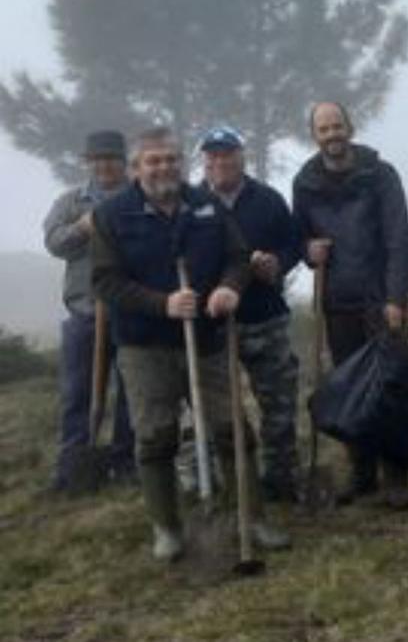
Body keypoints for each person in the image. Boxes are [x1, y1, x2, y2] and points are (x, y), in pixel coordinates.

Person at [92, 126, 289, 560]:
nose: (163, 167)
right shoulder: (113, 215)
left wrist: (229, 287)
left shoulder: (206, 206)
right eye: (153, 160)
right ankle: (168, 529)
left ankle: (252, 519)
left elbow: (237, 257)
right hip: (144, 346)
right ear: (135, 168)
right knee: (156, 436)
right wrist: (162, 304)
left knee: (233, 428)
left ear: (181, 163)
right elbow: (106, 281)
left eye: (170, 159)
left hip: (207, 339)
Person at [292, 101, 408, 509]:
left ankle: (396, 475)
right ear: (315, 136)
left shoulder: (379, 174)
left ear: (351, 126)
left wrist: (397, 296)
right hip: (338, 301)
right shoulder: (305, 182)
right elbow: (299, 239)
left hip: (380, 299)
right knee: (350, 388)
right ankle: (361, 471)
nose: (332, 135)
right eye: (324, 129)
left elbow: (400, 238)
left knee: (390, 386)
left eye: (337, 126)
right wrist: (309, 251)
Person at [198, 126, 302, 502]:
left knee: (278, 403)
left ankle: (281, 478)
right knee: (212, 411)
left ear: (241, 157)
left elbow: (292, 244)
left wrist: (278, 263)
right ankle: (223, 485)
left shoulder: (268, 200)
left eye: (227, 154)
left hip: (265, 317)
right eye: (212, 156)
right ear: (204, 162)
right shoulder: (192, 204)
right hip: (212, 324)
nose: (219, 162)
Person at [43, 130, 136, 490]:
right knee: (76, 394)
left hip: (131, 311)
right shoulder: (71, 202)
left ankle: (125, 463)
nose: (105, 165)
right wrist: (82, 228)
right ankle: (72, 468)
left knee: (133, 393)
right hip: (84, 312)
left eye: (111, 158)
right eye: (98, 159)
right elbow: (54, 243)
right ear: (88, 162)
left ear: (123, 161)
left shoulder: (138, 197)